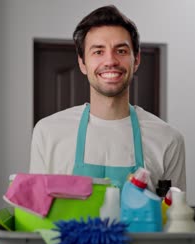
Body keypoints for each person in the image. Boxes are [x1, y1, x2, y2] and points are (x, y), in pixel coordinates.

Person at [29, 5, 186, 191]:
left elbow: (175, 217)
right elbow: (34, 216)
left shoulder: (168, 140)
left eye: (121, 51)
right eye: (98, 51)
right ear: (82, 63)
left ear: (136, 60)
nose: (110, 61)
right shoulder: (48, 133)